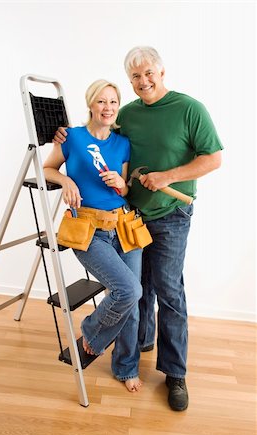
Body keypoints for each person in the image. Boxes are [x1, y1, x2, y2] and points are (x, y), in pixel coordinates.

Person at [54, 46, 223, 411]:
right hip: (132, 217)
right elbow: (95, 140)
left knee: (169, 293)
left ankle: (175, 373)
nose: (142, 81)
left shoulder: (189, 109)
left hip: (172, 214)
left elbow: (214, 158)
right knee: (136, 291)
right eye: (135, 76)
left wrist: (169, 177)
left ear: (161, 72)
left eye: (148, 73)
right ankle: (137, 349)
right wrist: (63, 139)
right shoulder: (126, 115)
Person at [43, 79, 143, 393]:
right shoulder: (70, 137)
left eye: (113, 102)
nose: (108, 108)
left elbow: (125, 189)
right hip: (89, 231)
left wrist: (121, 183)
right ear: (91, 104)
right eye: (102, 102)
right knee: (128, 290)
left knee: (133, 300)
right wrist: (65, 181)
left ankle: (126, 367)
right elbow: (47, 168)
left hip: (125, 226)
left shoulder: (122, 143)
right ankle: (92, 332)